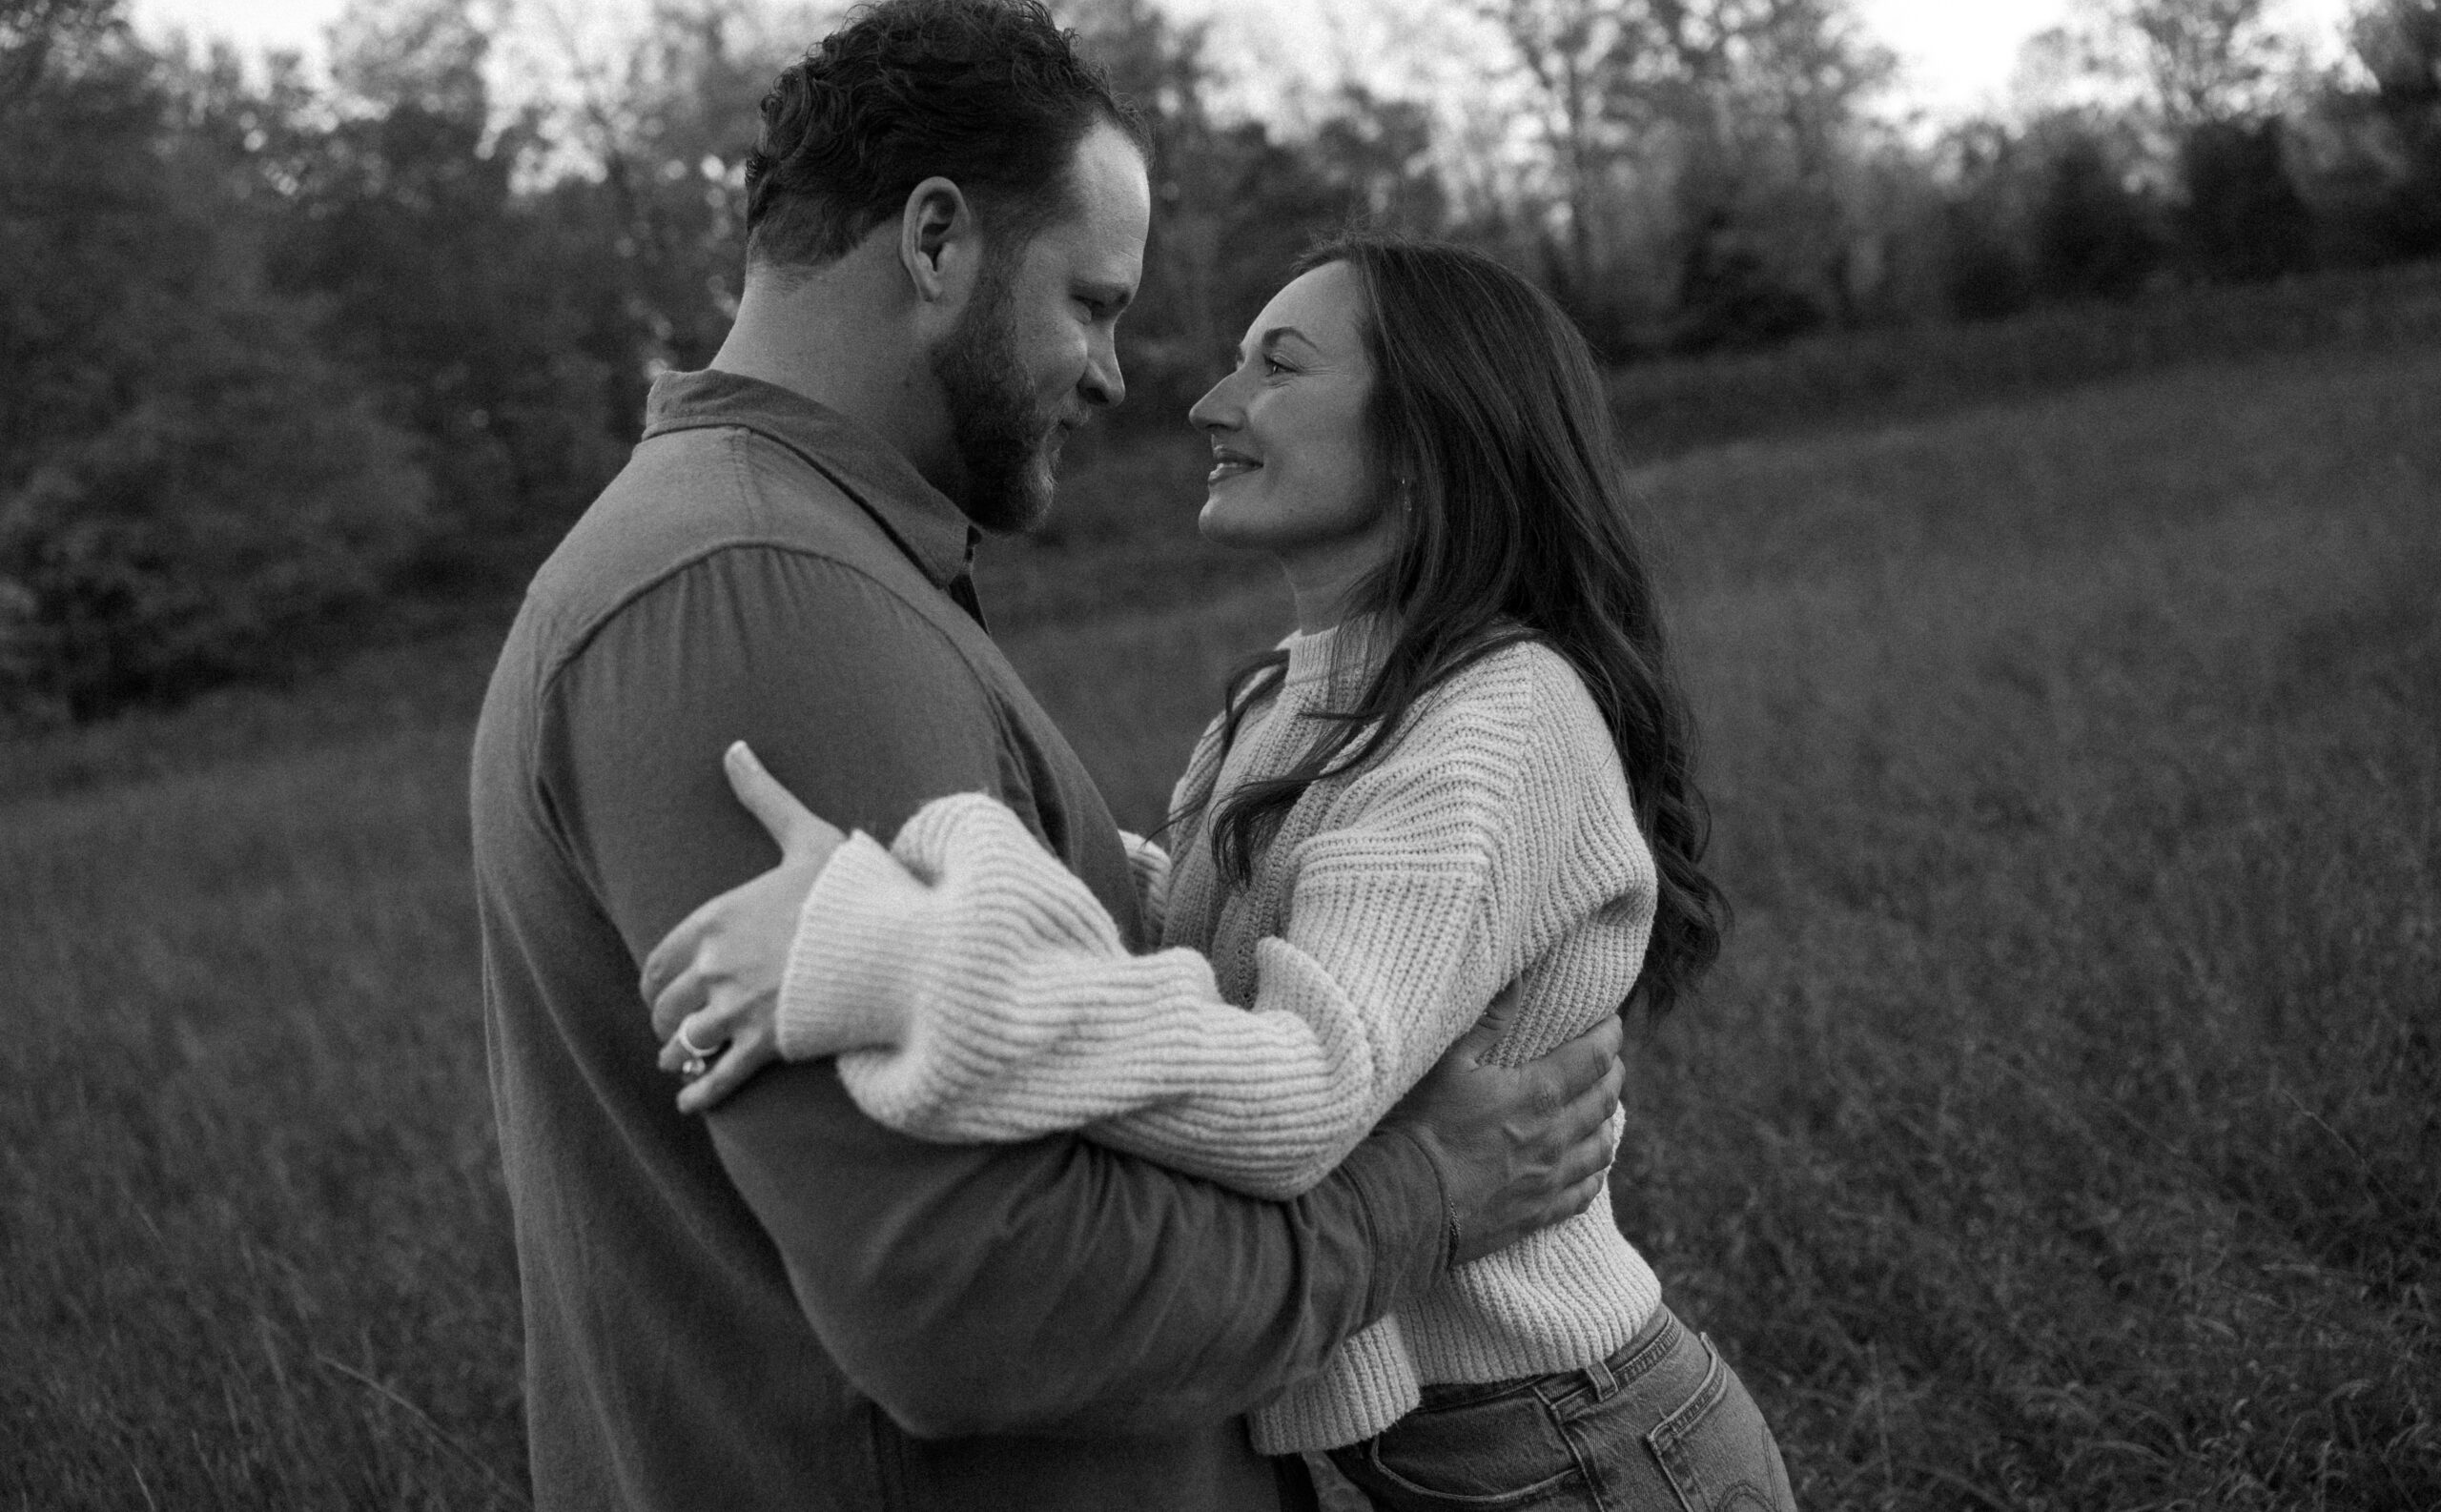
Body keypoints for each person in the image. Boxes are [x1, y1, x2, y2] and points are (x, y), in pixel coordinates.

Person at [470, 0, 1629, 1512]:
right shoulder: (764, 600)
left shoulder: (793, 562)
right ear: (936, 243)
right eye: (1091, 302)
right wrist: (1425, 1194)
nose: (1122, 377)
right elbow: (983, 1299)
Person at [642, 235, 1800, 1510]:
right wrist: (933, 855)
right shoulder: (1286, 702)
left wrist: (894, 959)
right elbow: (1205, 943)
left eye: (1278, 366)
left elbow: (1304, 1091)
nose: (1206, 402)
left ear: (1428, 433)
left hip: (1573, 1449)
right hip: (1442, 1456)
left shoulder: (1498, 725)